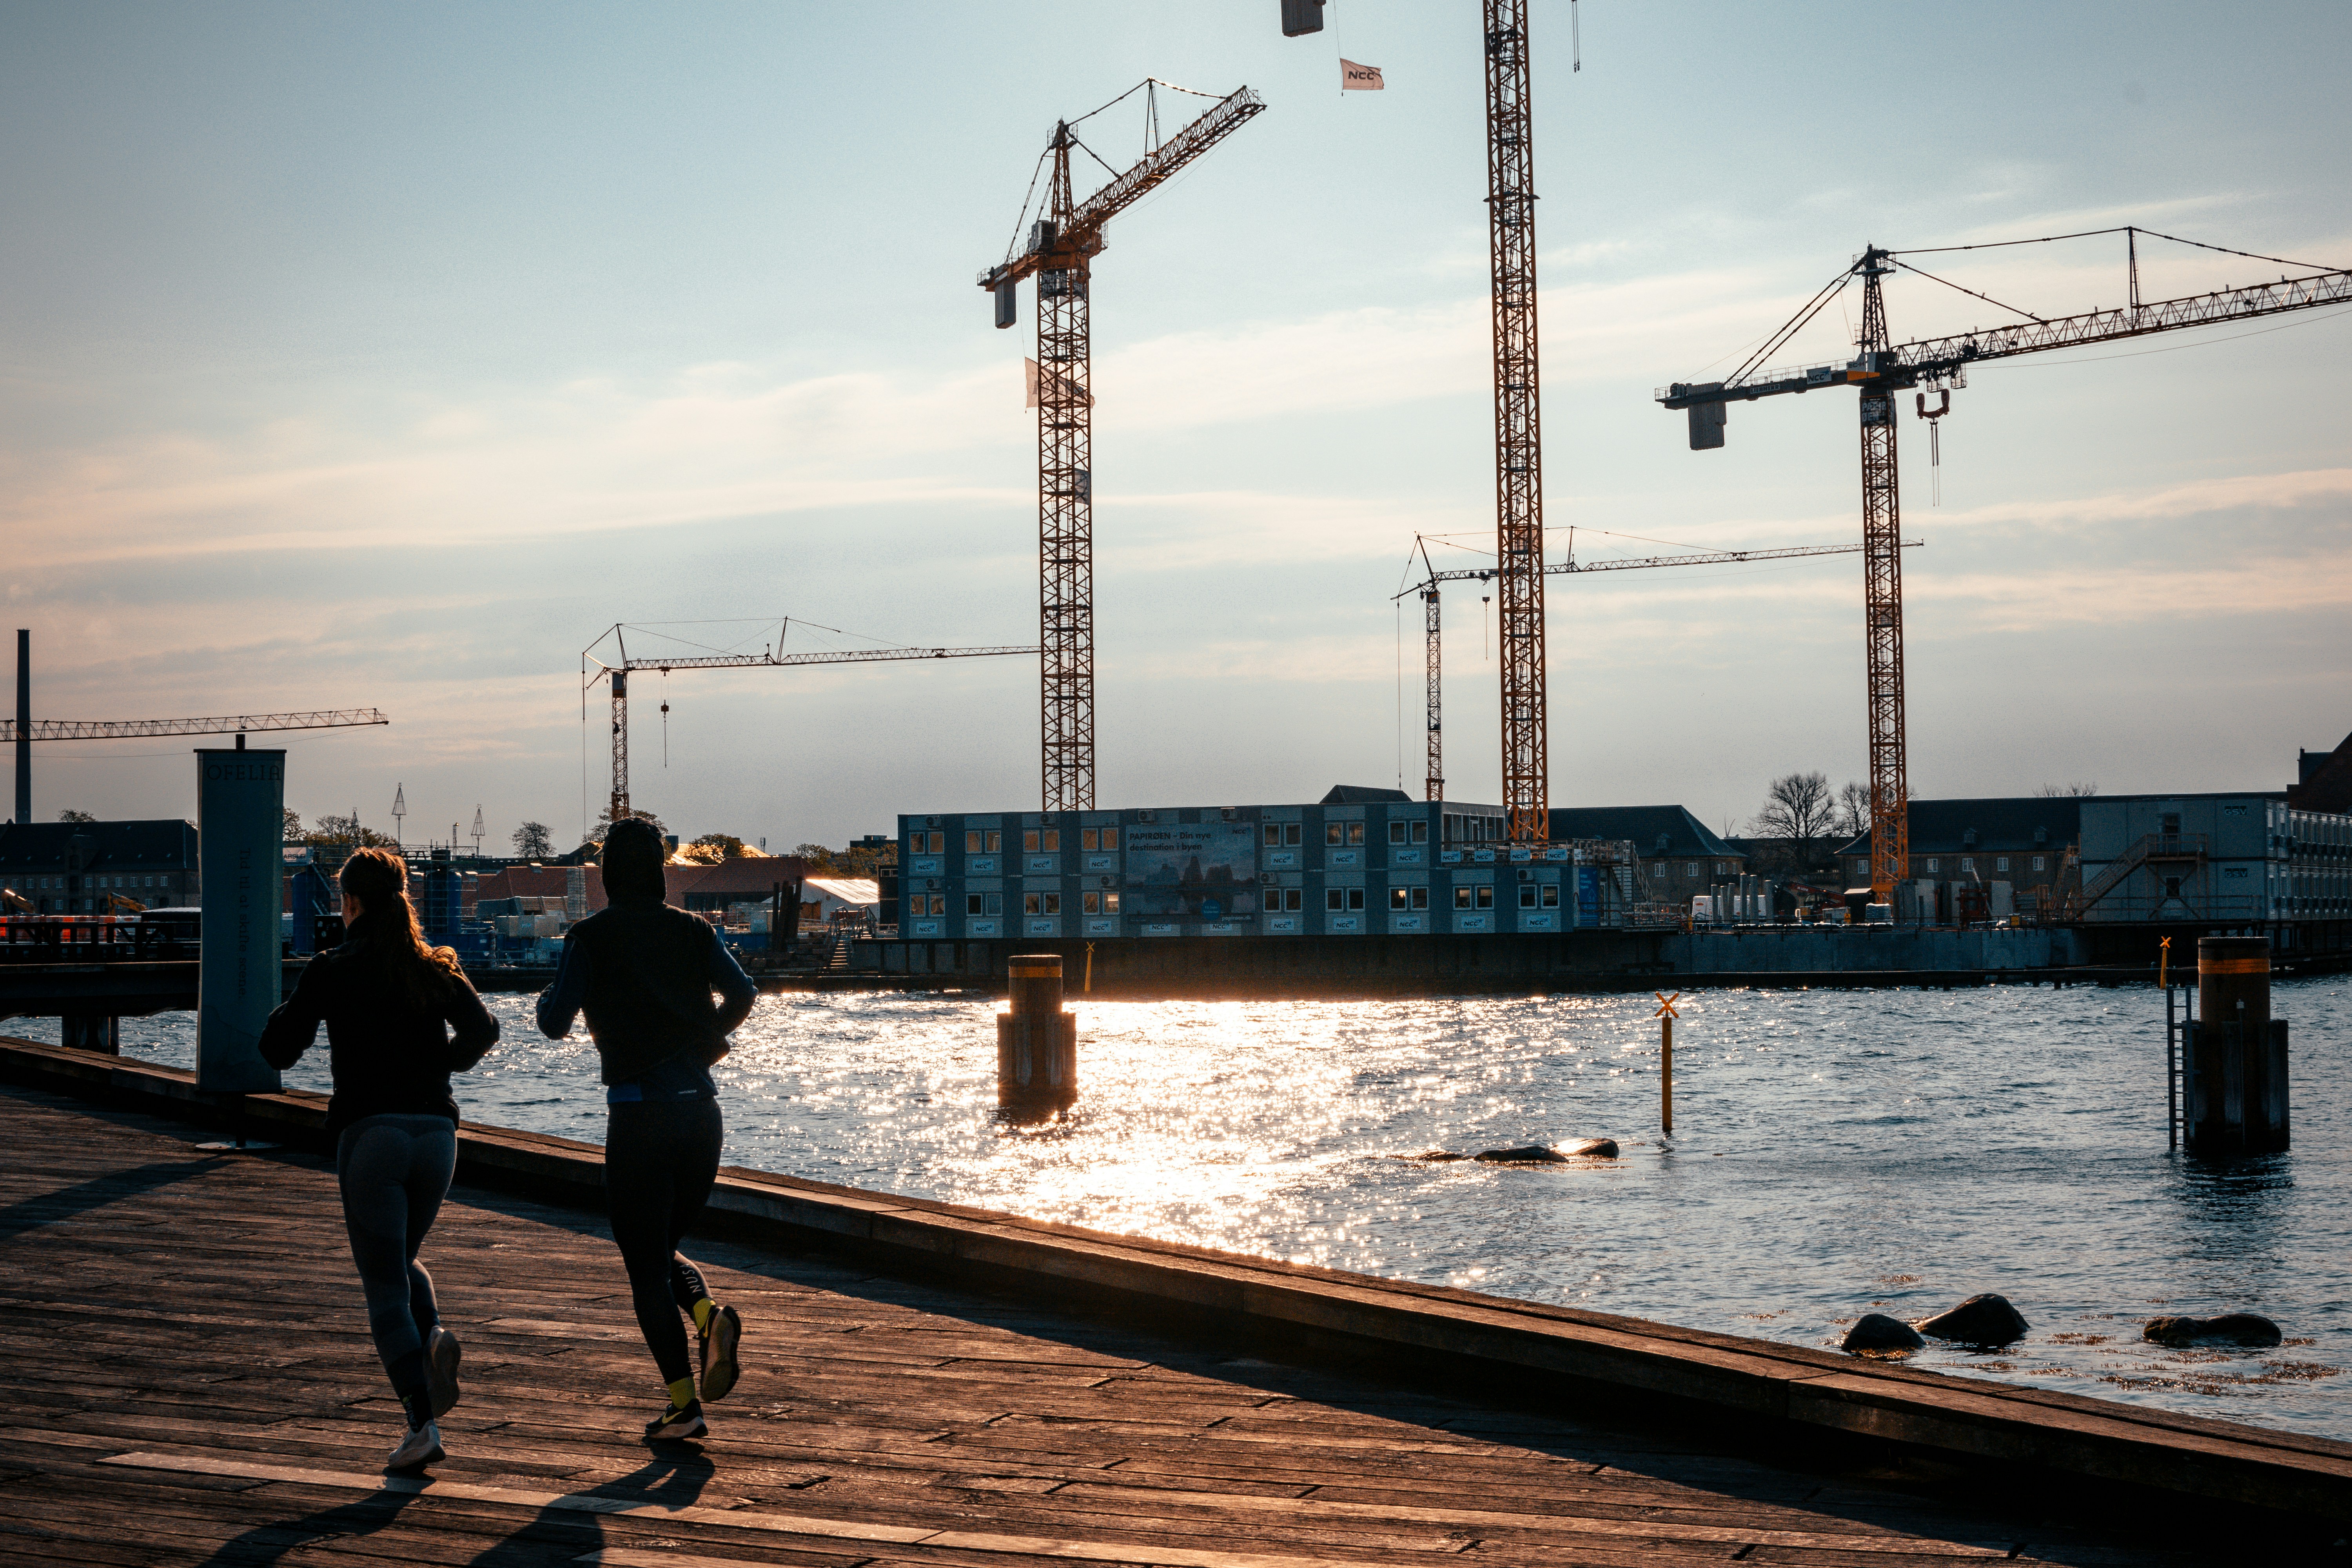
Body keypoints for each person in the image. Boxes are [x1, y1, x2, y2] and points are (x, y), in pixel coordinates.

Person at [260, 848, 498, 1472]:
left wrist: (285, 1008)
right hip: (436, 1138)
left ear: (352, 902)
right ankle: (435, 1336)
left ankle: (422, 1426)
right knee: (401, 1260)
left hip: (374, 1138)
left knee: (383, 1285)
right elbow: (485, 1030)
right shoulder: (434, 967)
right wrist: (439, 1068)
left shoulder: (332, 967)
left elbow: (280, 1050)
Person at [536, 817, 756, 1441]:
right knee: (662, 1252)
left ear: (607, 877)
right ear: (660, 873)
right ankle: (709, 1318)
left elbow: (554, 1023)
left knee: (644, 1267)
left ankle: (684, 1406)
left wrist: (541, 1003)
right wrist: (706, 1045)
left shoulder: (590, 937)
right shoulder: (694, 930)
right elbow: (744, 993)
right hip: (702, 1117)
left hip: (639, 1120)